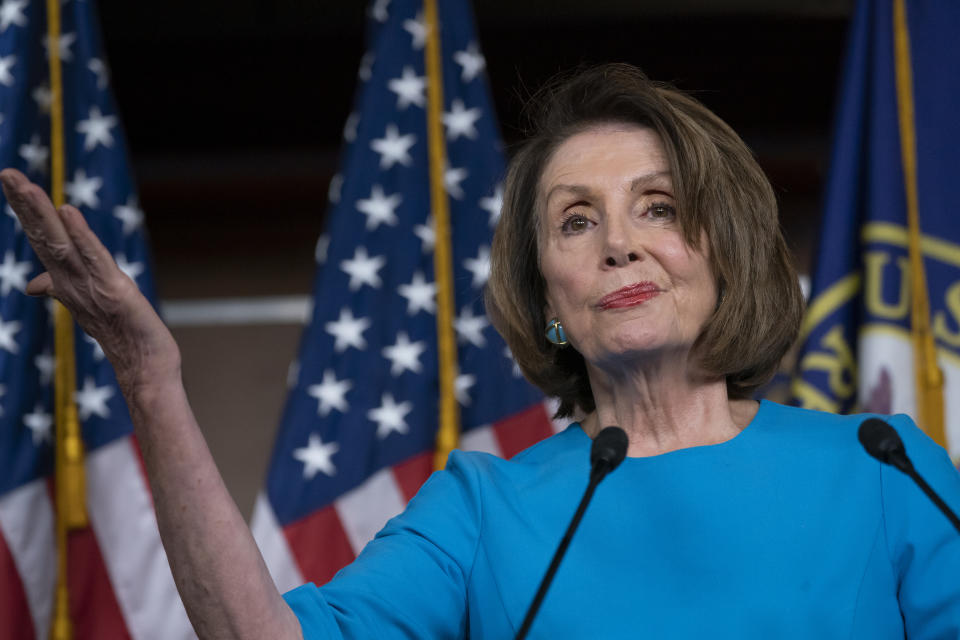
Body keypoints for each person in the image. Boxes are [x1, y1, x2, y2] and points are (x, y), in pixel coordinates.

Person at [3, 64, 959, 639]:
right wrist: (150, 378)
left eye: (658, 208)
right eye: (576, 222)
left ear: (729, 251)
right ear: (549, 301)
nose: (619, 243)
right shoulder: (484, 509)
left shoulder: (884, 469)